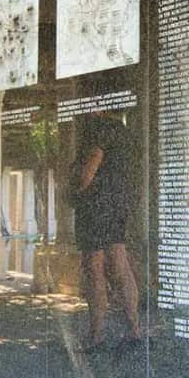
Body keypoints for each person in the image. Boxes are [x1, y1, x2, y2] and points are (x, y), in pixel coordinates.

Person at [71, 110, 140, 348]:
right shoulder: (125, 133)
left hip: (95, 207)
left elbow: (88, 170)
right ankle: (134, 329)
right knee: (120, 264)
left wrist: (74, 192)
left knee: (94, 268)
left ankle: (96, 334)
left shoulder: (96, 130)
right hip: (118, 205)